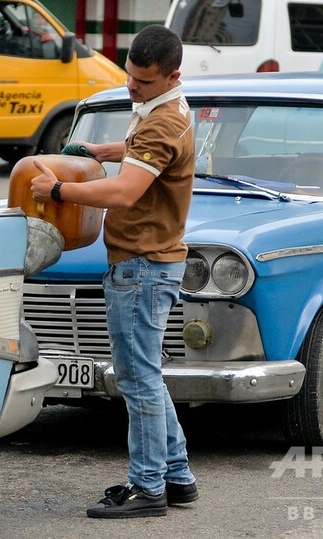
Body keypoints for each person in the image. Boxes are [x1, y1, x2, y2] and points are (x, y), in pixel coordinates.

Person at [31, 24, 198, 519]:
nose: (131, 87)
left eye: (143, 82)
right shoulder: (168, 109)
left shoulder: (160, 123)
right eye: (129, 75)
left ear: (172, 77)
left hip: (142, 266)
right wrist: (101, 152)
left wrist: (57, 191)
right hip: (152, 263)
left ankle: (147, 487)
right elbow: (143, 156)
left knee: (137, 379)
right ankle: (176, 476)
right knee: (146, 375)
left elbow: (125, 192)